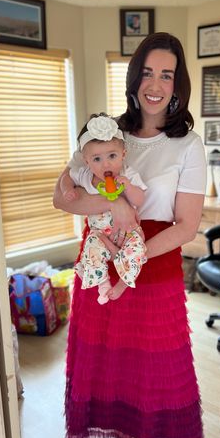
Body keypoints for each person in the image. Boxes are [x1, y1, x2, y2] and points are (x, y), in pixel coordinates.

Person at [53, 32, 209, 438]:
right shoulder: (106, 133)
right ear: (134, 78)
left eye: (167, 74)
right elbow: (65, 197)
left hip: (153, 264)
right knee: (118, 363)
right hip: (100, 255)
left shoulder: (188, 143)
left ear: (178, 83)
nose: (156, 84)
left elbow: (187, 226)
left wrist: (132, 257)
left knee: (170, 372)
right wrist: (116, 206)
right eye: (147, 72)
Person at [60, 113, 147, 303]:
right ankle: (103, 283)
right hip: (99, 233)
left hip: (128, 231)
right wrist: (68, 190)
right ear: (86, 160)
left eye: (112, 156)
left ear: (123, 154)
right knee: (91, 251)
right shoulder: (84, 176)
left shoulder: (127, 173)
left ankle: (124, 282)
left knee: (138, 249)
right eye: (97, 159)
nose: (105, 164)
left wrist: (129, 187)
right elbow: (66, 177)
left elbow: (139, 199)